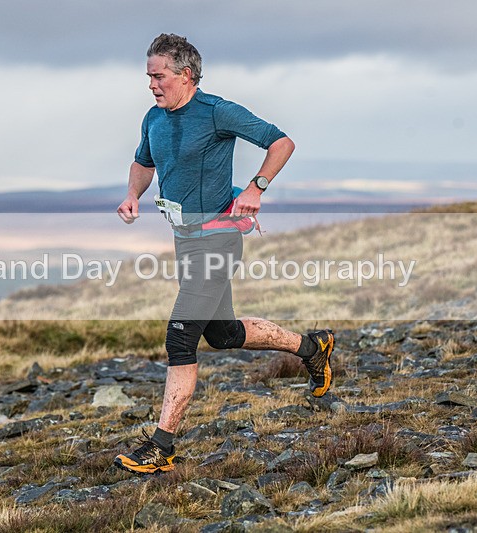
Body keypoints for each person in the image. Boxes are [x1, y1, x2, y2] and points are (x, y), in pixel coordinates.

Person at [114, 33, 334, 475]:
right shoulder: (153, 118)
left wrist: (256, 187)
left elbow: (281, 142)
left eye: (159, 76)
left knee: (180, 337)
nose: (152, 85)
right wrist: (133, 194)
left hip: (217, 239)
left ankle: (161, 447)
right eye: (149, 77)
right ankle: (313, 348)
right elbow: (143, 162)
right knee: (223, 334)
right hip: (185, 239)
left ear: (185, 75)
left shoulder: (218, 111)